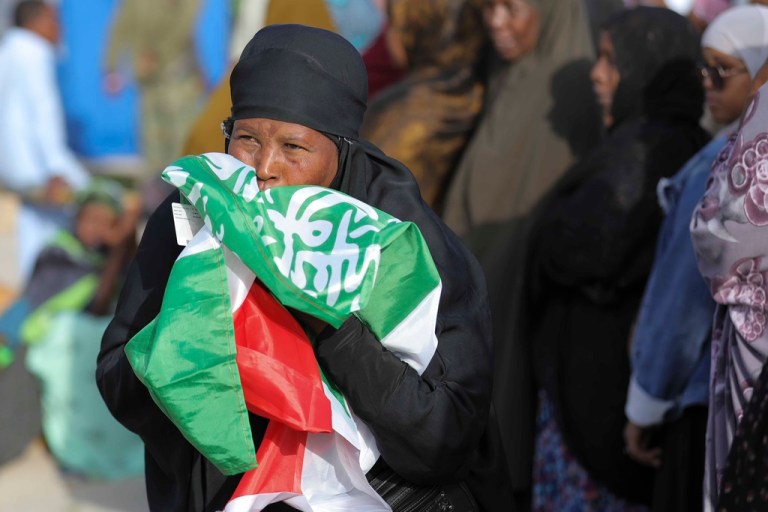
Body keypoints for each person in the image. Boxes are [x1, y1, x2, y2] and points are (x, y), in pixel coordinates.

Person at [97, 24, 513, 512]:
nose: (264, 167)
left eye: (294, 148)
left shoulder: (398, 242)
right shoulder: (197, 213)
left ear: (341, 152)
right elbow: (116, 375)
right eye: (247, 138)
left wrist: (324, 324)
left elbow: (443, 438)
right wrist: (197, 329)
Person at [522, 6, 709, 510]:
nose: (596, 73)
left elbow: (593, 247)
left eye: (611, 59)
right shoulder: (660, 150)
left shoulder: (649, 159)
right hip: (593, 410)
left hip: (609, 414)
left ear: (646, 66)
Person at [621, 6, 768, 511]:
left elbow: (683, 294)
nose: (707, 83)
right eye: (703, 68)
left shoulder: (731, 163)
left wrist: (645, 399)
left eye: (723, 71)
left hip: (711, 399)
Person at [441, 0, 601, 244]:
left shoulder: (569, 93)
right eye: (490, 7)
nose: (495, 21)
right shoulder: (503, 69)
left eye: (511, 9)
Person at [359, 0, 487, 210]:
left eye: (394, 25)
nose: (389, 36)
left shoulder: (406, 111)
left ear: (419, 29)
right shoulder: (472, 90)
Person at [0, 0, 91, 281]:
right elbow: (44, 118)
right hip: (37, 165)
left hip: (13, 164)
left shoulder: (8, 51)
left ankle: (31, 301)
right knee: (83, 206)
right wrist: (57, 170)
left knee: (32, 225)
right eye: (54, 21)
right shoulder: (34, 52)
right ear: (35, 22)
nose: (59, 29)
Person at [103, 0, 205, 175]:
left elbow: (184, 26)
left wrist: (156, 56)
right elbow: (121, 25)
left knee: (182, 150)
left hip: (176, 77)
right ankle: (156, 195)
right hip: (149, 81)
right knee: (153, 150)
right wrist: (111, 67)